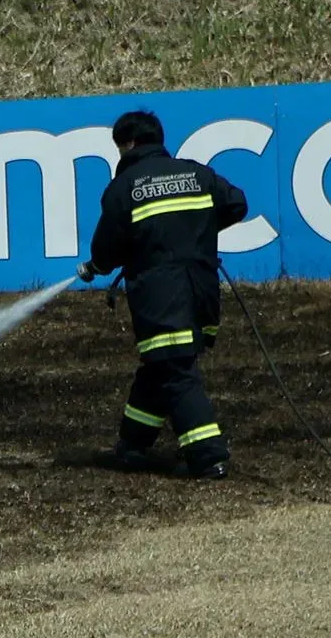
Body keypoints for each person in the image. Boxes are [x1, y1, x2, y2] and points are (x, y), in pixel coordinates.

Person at [78, 110, 248, 480]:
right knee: (162, 365)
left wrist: (96, 266)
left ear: (129, 144)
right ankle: (133, 445)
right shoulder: (196, 174)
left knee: (175, 371)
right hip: (203, 290)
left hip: (161, 296)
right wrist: (193, 232)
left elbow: (105, 251)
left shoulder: (124, 188)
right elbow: (237, 203)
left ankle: (208, 456)